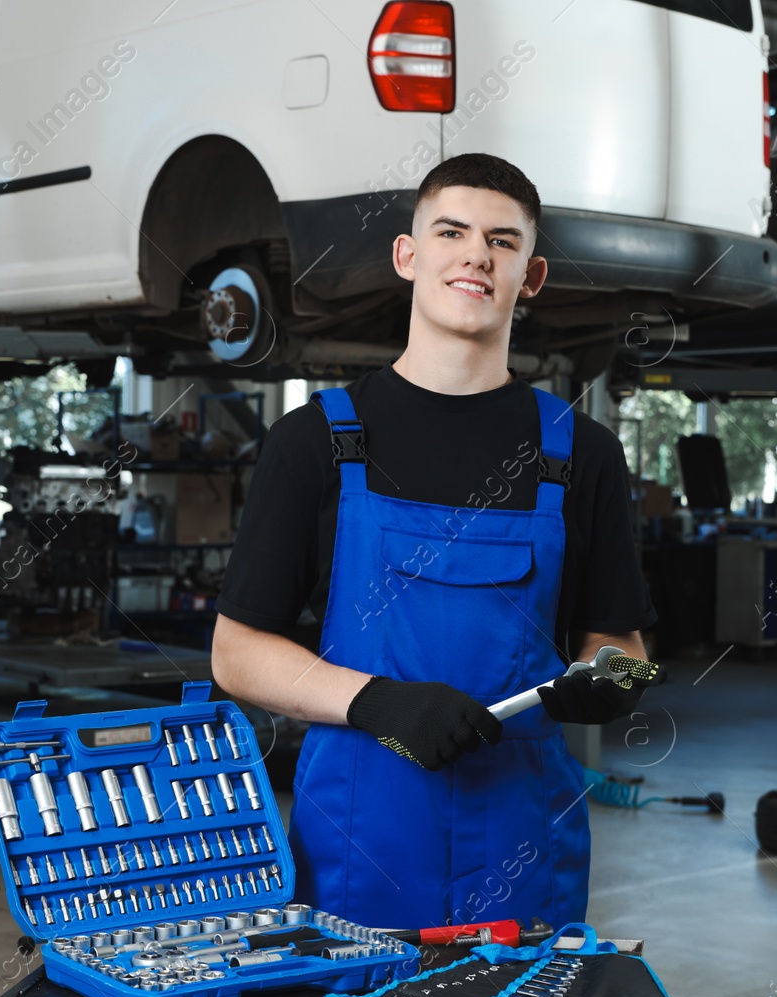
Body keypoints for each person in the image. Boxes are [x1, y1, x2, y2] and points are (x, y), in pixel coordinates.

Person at [210, 153, 656, 931]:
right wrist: (375, 700)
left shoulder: (582, 452)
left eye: (503, 240)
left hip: (523, 843)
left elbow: (623, 644)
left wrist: (613, 679)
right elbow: (236, 652)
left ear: (533, 274)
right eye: (451, 231)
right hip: (359, 842)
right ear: (408, 255)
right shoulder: (314, 441)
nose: (476, 254)